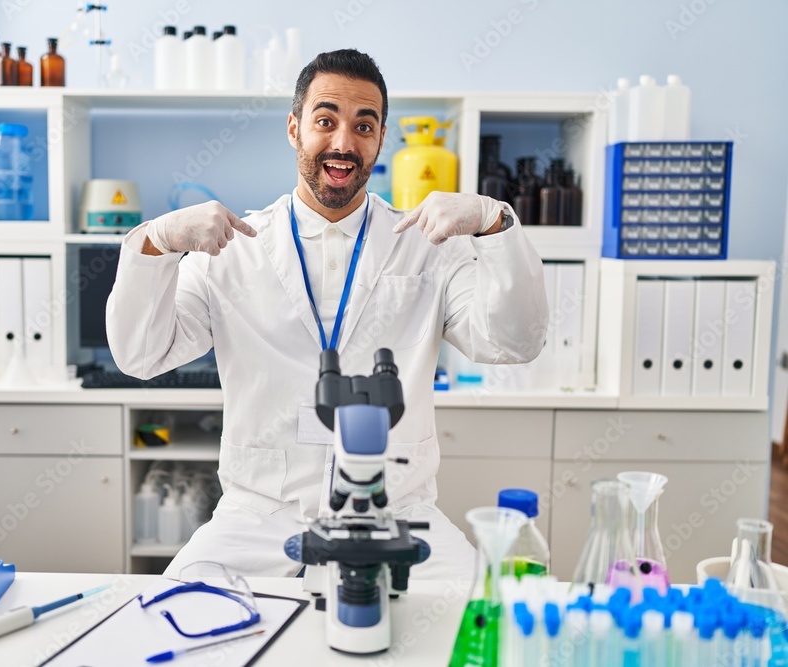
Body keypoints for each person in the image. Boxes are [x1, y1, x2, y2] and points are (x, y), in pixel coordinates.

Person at [108, 49, 548, 581]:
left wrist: (494, 223)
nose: (343, 142)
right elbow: (140, 355)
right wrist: (157, 242)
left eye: (364, 125)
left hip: (397, 517)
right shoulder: (233, 250)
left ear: (381, 139)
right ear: (294, 129)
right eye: (325, 120)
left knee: (477, 625)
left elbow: (514, 342)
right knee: (178, 621)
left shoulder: (427, 244)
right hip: (258, 517)